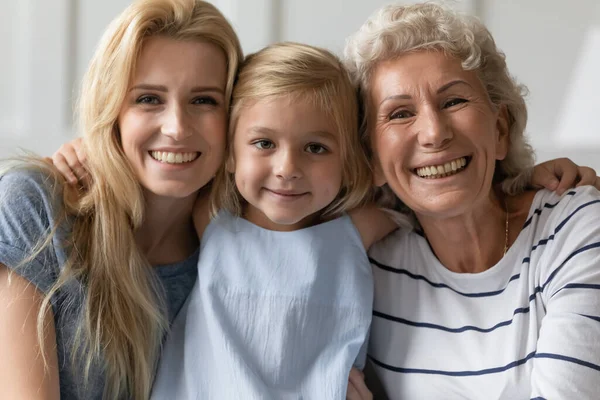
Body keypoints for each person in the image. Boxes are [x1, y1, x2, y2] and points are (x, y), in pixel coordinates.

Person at [342, 3, 600, 398]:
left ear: (499, 129)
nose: (433, 133)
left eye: (453, 102)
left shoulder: (575, 227)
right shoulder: (369, 265)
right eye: (399, 114)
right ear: (372, 158)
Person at [0, 0, 242, 399]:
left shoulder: (240, 246)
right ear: (111, 109)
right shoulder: (33, 206)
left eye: (204, 100)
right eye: (148, 99)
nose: (177, 128)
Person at [150, 41, 397, 399]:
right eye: (264, 143)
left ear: (348, 160)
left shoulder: (359, 229)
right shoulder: (209, 215)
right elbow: (131, 182)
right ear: (230, 153)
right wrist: (79, 154)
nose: (287, 169)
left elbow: (431, 195)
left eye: (316, 148)